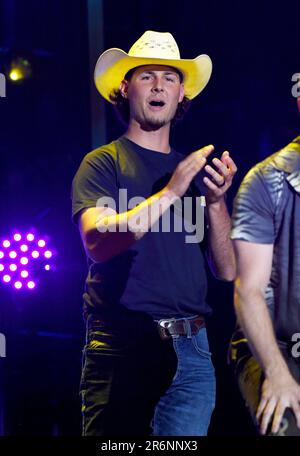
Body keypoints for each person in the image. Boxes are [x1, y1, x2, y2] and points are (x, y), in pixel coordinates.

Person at [72, 30, 237, 436]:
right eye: (147, 76)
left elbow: (228, 270)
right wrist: (171, 192)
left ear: (182, 94)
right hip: (123, 343)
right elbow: (97, 241)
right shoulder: (103, 163)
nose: (159, 85)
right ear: (125, 88)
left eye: (169, 77)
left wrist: (216, 202)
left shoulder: (193, 172)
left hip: (192, 350)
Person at [230, 96, 300, 436]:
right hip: (276, 347)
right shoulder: (266, 181)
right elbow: (248, 289)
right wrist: (278, 373)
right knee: (286, 422)